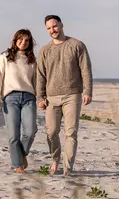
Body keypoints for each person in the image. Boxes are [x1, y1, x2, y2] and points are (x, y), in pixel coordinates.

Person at [36, 15, 93, 177]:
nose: (52, 30)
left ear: (61, 25)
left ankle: (68, 167)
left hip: (72, 95)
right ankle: (55, 159)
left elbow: (86, 70)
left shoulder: (77, 45)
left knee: (70, 132)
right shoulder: (44, 50)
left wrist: (88, 91)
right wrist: (40, 97)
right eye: (48, 28)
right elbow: (40, 75)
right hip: (52, 97)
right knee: (51, 132)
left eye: (54, 26)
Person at [0, 28, 38, 174]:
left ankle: (22, 154)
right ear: (15, 40)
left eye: (26, 40)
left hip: (29, 98)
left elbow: (36, 81)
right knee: (14, 135)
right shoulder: (5, 57)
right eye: (20, 39)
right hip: (10, 98)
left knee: (30, 132)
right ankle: (18, 165)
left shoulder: (32, 60)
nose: (23, 42)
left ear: (30, 43)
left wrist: (41, 97)